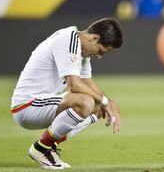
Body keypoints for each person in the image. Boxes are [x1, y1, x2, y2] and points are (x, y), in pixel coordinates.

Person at [11, 18, 123, 169]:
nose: (99, 56)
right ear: (94, 38)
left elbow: (88, 83)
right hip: (27, 106)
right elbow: (75, 86)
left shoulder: (82, 51)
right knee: (85, 102)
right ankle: (41, 148)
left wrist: (109, 103)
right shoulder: (68, 40)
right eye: (101, 50)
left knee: (98, 107)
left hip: (44, 104)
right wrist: (104, 100)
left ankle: (48, 146)